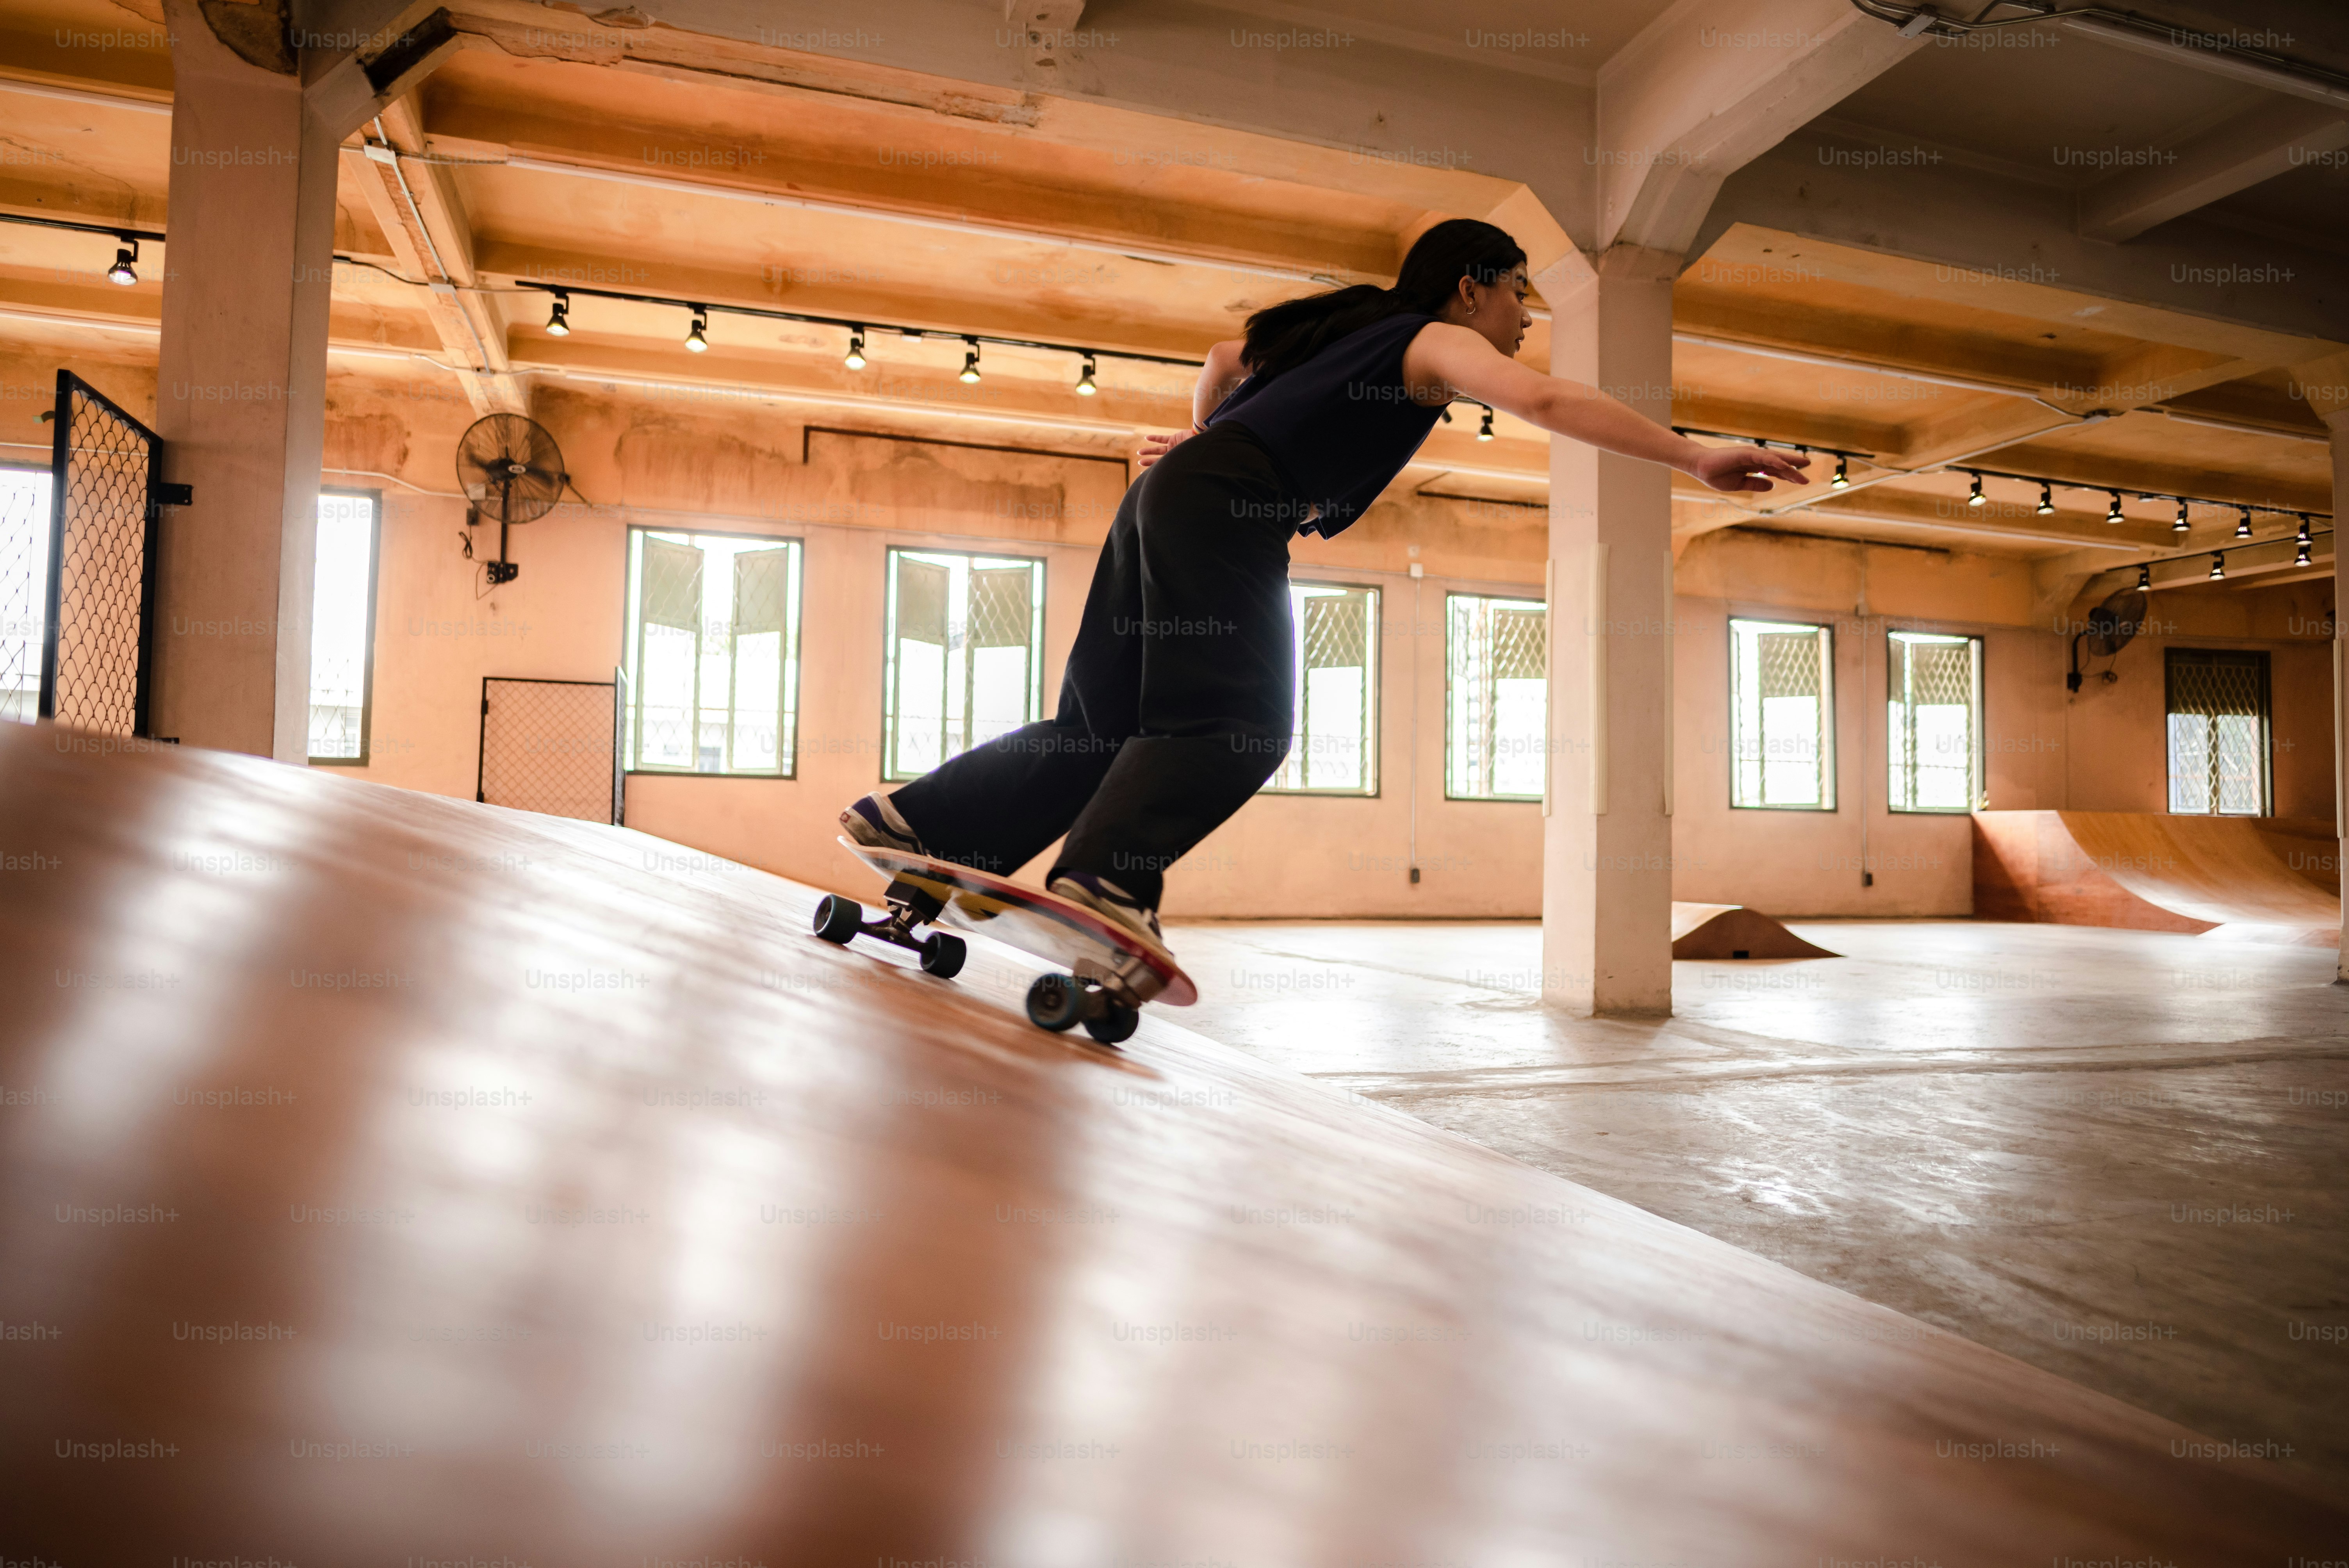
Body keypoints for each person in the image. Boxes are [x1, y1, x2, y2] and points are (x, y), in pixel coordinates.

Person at [842, 218, 1807, 996]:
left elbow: (1222, 355)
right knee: (1239, 723)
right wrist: (1693, 457)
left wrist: (1203, 438)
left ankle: (924, 824)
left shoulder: (1339, 333)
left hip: (1165, 498)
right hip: (1224, 503)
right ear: (1470, 287)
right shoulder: (1433, 339)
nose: (1525, 318)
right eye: (1520, 293)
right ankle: (1106, 876)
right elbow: (1546, 403)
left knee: (1101, 725)